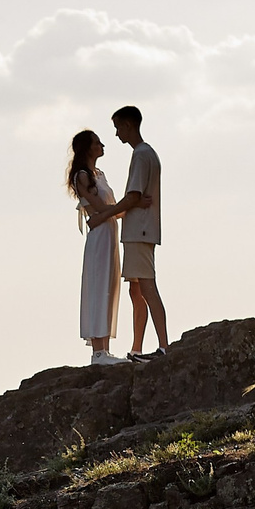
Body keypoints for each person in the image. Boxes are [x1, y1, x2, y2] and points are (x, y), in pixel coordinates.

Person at [111, 106, 167, 359]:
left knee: (147, 287)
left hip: (140, 230)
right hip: (139, 230)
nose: (117, 133)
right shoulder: (146, 154)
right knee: (136, 290)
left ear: (129, 125)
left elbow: (134, 195)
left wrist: (107, 213)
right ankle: (137, 348)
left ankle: (164, 347)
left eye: (118, 127)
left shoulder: (142, 155)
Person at [69, 129, 126, 365]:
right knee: (99, 285)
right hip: (100, 236)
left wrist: (128, 207)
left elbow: (109, 210)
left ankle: (105, 348)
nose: (102, 145)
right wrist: (116, 210)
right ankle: (98, 351)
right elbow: (100, 208)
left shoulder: (98, 174)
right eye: (97, 143)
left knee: (110, 285)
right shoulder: (82, 176)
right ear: (87, 148)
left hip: (110, 233)